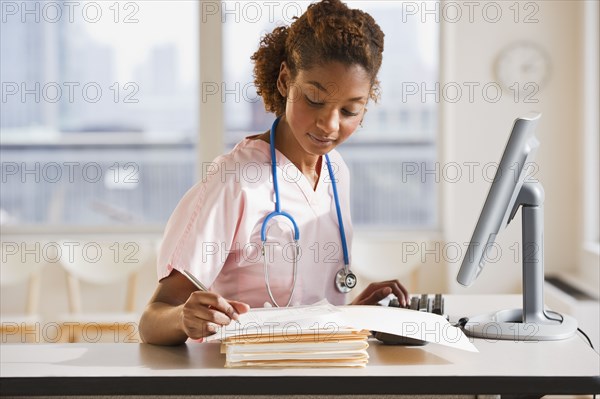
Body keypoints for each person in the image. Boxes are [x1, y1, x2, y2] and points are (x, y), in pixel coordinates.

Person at [139, 0, 409, 346]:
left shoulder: (337, 172)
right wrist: (183, 317)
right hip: (244, 376)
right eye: (313, 99)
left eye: (349, 110)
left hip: (317, 371)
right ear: (285, 81)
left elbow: (302, 313)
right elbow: (151, 320)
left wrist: (355, 313)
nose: (329, 125)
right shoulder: (236, 180)